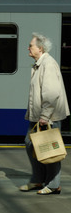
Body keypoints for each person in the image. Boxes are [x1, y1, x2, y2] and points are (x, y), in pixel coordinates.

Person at [20, 33, 69, 194]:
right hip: (37, 116)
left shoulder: (48, 64)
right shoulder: (39, 64)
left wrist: (45, 116)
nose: (28, 48)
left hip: (48, 117)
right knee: (31, 144)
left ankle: (53, 185)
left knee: (50, 149)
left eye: (31, 45)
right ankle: (38, 180)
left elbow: (51, 93)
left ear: (40, 48)